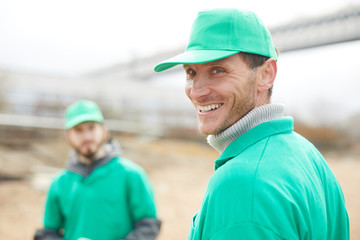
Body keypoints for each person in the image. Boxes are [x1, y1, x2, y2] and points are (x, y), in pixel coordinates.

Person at [154, 8, 349, 240]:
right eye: (191, 72)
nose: (196, 92)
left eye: (218, 70)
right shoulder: (306, 153)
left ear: (266, 74)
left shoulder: (242, 183)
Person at [34, 100, 161, 240]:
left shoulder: (132, 175)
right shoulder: (59, 183)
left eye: (91, 128)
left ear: (104, 130)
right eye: (78, 130)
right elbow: (48, 234)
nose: (87, 136)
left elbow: (148, 227)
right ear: (68, 136)